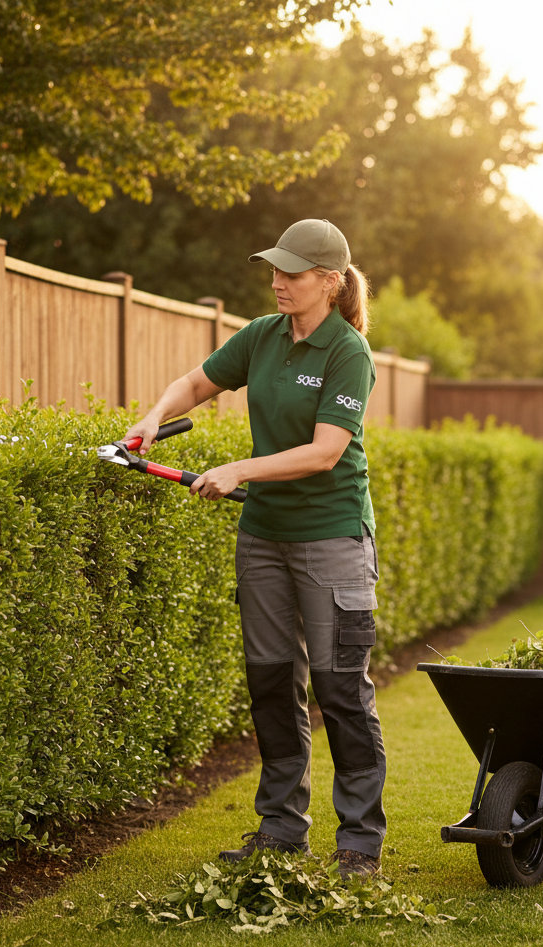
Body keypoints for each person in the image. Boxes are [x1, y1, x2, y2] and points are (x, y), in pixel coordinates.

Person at [121, 219, 386, 878]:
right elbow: (196, 383)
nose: (277, 283)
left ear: (328, 281)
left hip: (332, 535)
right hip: (265, 536)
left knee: (340, 687)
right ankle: (281, 830)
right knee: (271, 683)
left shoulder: (346, 350)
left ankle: (359, 840)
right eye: (274, 270)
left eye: (291, 273)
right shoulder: (263, 336)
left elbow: (327, 451)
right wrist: (155, 415)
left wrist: (240, 469)